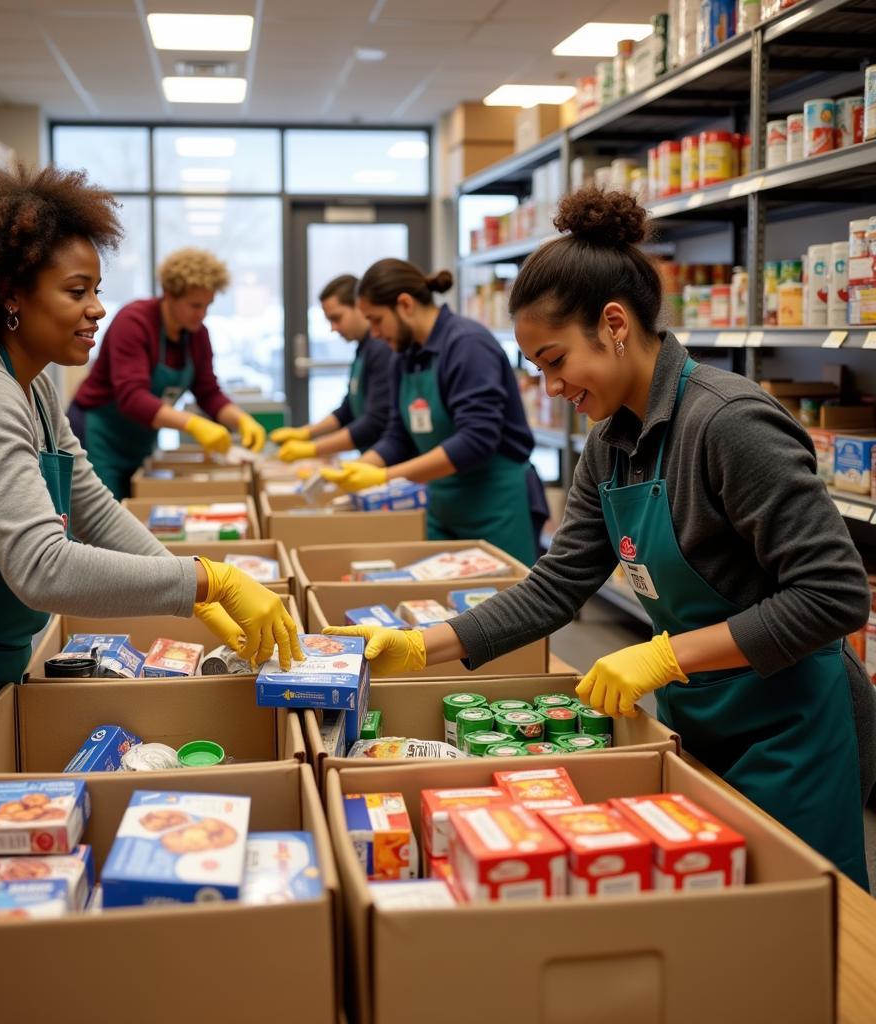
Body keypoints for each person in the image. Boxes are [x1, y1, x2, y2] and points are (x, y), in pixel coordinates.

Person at [325, 187, 876, 889]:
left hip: (796, 726)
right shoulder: (610, 440)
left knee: (801, 938)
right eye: (538, 370)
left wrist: (667, 655)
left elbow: (834, 595)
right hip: (702, 714)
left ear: (615, 323)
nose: (551, 387)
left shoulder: (729, 424)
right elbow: (559, 582)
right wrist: (421, 645)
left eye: (555, 360)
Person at [0, 165, 301, 884]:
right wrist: (203, 578)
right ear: (9, 296)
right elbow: (42, 566)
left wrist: (203, 600)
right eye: (76, 290)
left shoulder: (31, 385)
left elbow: (91, 507)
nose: (96, 308)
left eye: (96, 288)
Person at [320, 259, 548, 566]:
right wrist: (360, 468)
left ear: (405, 304)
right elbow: (398, 435)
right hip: (444, 508)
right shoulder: (405, 356)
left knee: (508, 608)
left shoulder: (466, 345)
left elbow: (476, 440)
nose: (373, 333)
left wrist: (385, 475)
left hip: (495, 507)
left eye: (376, 320)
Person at [68, 247, 266, 499]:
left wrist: (240, 419)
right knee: (99, 521)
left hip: (139, 440)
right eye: (195, 305)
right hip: (99, 436)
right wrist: (193, 424)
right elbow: (132, 397)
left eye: (208, 305)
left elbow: (208, 392)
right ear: (169, 295)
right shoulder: (135, 321)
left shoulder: (197, 335)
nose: (202, 314)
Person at [269, 274, 394, 461]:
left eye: (337, 318)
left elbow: (374, 422)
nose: (333, 328)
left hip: (385, 459)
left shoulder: (380, 349)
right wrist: (306, 433)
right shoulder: (363, 348)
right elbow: (348, 410)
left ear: (359, 307)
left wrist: (313, 448)